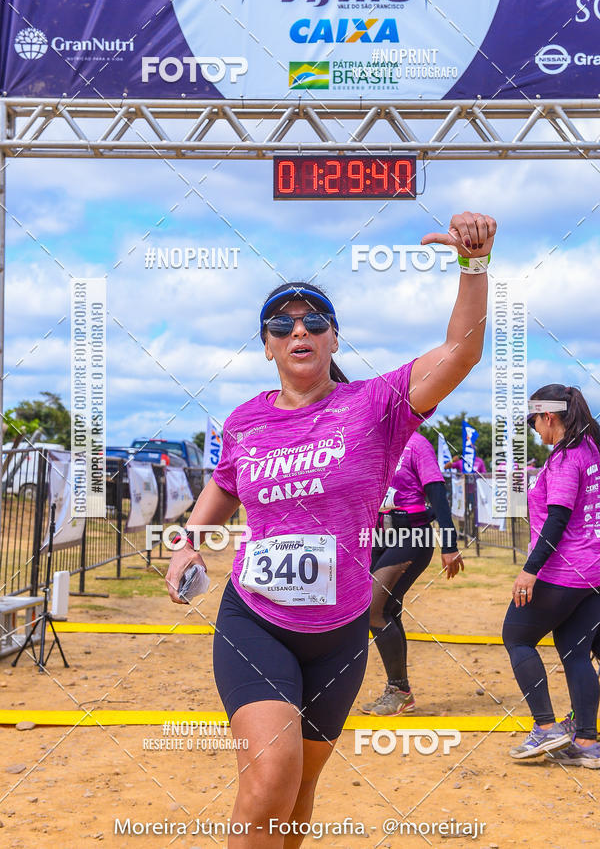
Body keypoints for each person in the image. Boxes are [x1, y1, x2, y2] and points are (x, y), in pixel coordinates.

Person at [166, 210, 496, 848]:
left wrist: (473, 266)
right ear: (266, 345)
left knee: (298, 794)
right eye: (281, 324)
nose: (298, 330)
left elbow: (462, 353)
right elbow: (219, 498)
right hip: (256, 622)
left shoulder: (375, 406)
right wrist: (185, 546)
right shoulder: (243, 423)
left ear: (333, 339)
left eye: (314, 320)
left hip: (340, 633)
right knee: (268, 780)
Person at [502, 384, 600, 767]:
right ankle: (588, 744)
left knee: (516, 636)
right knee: (576, 652)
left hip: (565, 568)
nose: (535, 433)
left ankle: (545, 726)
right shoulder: (592, 449)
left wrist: (530, 570)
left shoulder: (565, 457)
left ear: (550, 416)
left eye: (534, 422)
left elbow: (557, 519)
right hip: (594, 568)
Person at [361, 429, 462, 716]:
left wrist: (450, 544)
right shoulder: (371, 441)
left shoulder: (416, 444)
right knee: (388, 611)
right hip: (379, 537)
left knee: (373, 608)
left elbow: (438, 494)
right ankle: (399, 692)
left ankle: (399, 691)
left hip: (412, 537)